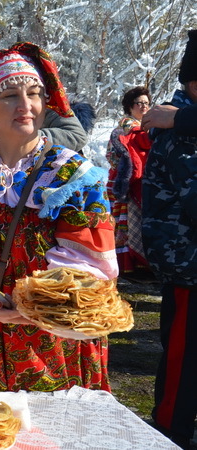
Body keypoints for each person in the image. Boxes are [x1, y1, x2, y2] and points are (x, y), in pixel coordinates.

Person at [0, 42, 118, 392]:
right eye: (10, 95)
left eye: (33, 94)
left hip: (55, 331)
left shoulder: (73, 174)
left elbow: (88, 259)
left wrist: (34, 304)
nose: (26, 106)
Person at [142, 28, 197, 449]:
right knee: (183, 359)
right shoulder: (181, 133)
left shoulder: (185, 120)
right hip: (187, 264)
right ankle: (167, 435)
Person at [105, 86, 153, 279]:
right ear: (130, 106)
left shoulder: (148, 129)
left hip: (141, 182)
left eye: (147, 104)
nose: (144, 107)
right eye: (139, 103)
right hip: (126, 183)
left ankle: (139, 264)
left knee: (136, 223)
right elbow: (113, 156)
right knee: (127, 223)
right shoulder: (123, 130)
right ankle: (130, 264)